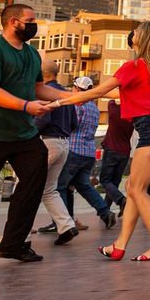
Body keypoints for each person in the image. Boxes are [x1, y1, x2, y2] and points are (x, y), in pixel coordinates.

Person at [45, 21, 150, 262]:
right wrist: (72, 95)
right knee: (133, 189)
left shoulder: (133, 66)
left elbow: (97, 92)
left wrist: (58, 102)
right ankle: (120, 245)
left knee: (137, 190)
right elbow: (115, 92)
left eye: (137, 30)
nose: (133, 33)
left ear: (144, 38)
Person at [0, 4, 67, 266]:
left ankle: (13, 244)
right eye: (30, 20)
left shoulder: (32, 54)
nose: (35, 25)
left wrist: (71, 97)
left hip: (22, 132)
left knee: (34, 179)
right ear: (13, 22)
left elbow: (39, 89)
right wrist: (26, 105)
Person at [56, 76, 118, 230]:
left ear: (77, 89)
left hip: (73, 149)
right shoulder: (94, 108)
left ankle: (64, 223)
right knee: (84, 185)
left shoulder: (77, 105)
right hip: (88, 152)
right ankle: (105, 212)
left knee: (60, 186)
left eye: (74, 88)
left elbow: (71, 125)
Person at [32, 59, 81, 244]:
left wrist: (28, 134)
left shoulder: (45, 92)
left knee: (25, 186)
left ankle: (21, 233)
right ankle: (66, 225)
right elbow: (74, 123)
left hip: (47, 142)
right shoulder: (65, 94)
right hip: (63, 143)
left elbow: (43, 119)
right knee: (49, 189)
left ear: (41, 74)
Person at [99, 99, 132, 215]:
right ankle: (105, 209)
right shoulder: (132, 114)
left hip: (112, 149)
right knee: (115, 181)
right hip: (125, 151)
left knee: (105, 180)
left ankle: (121, 200)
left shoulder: (113, 109)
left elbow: (111, 99)